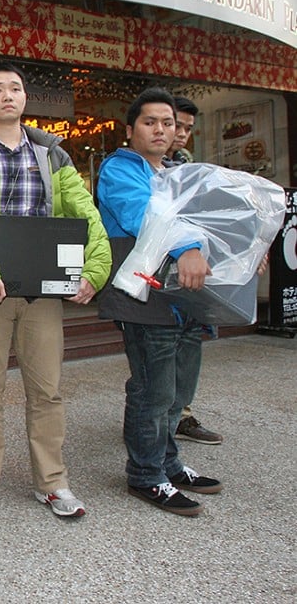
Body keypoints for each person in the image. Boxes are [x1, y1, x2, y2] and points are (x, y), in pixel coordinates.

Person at [0, 62, 111, 518]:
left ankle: (53, 483)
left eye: (15, 88)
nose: (7, 95)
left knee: (48, 391)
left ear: (24, 97)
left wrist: (95, 269)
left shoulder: (54, 154)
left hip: (43, 295)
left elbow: (85, 213)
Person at [96, 87, 223, 516]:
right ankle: (147, 475)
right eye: (150, 122)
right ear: (131, 129)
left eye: (168, 123)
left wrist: (231, 254)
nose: (161, 129)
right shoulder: (120, 169)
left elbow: (209, 221)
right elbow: (144, 214)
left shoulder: (177, 173)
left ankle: (169, 463)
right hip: (143, 297)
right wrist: (188, 247)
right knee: (153, 390)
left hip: (182, 298)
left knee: (178, 392)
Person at [167, 96, 224, 445]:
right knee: (159, 352)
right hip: (159, 273)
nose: (181, 133)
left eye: (188, 128)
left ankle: (180, 414)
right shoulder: (140, 167)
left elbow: (207, 217)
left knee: (189, 343)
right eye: (177, 125)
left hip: (192, 271)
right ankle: (159, 419)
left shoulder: (188, 165)